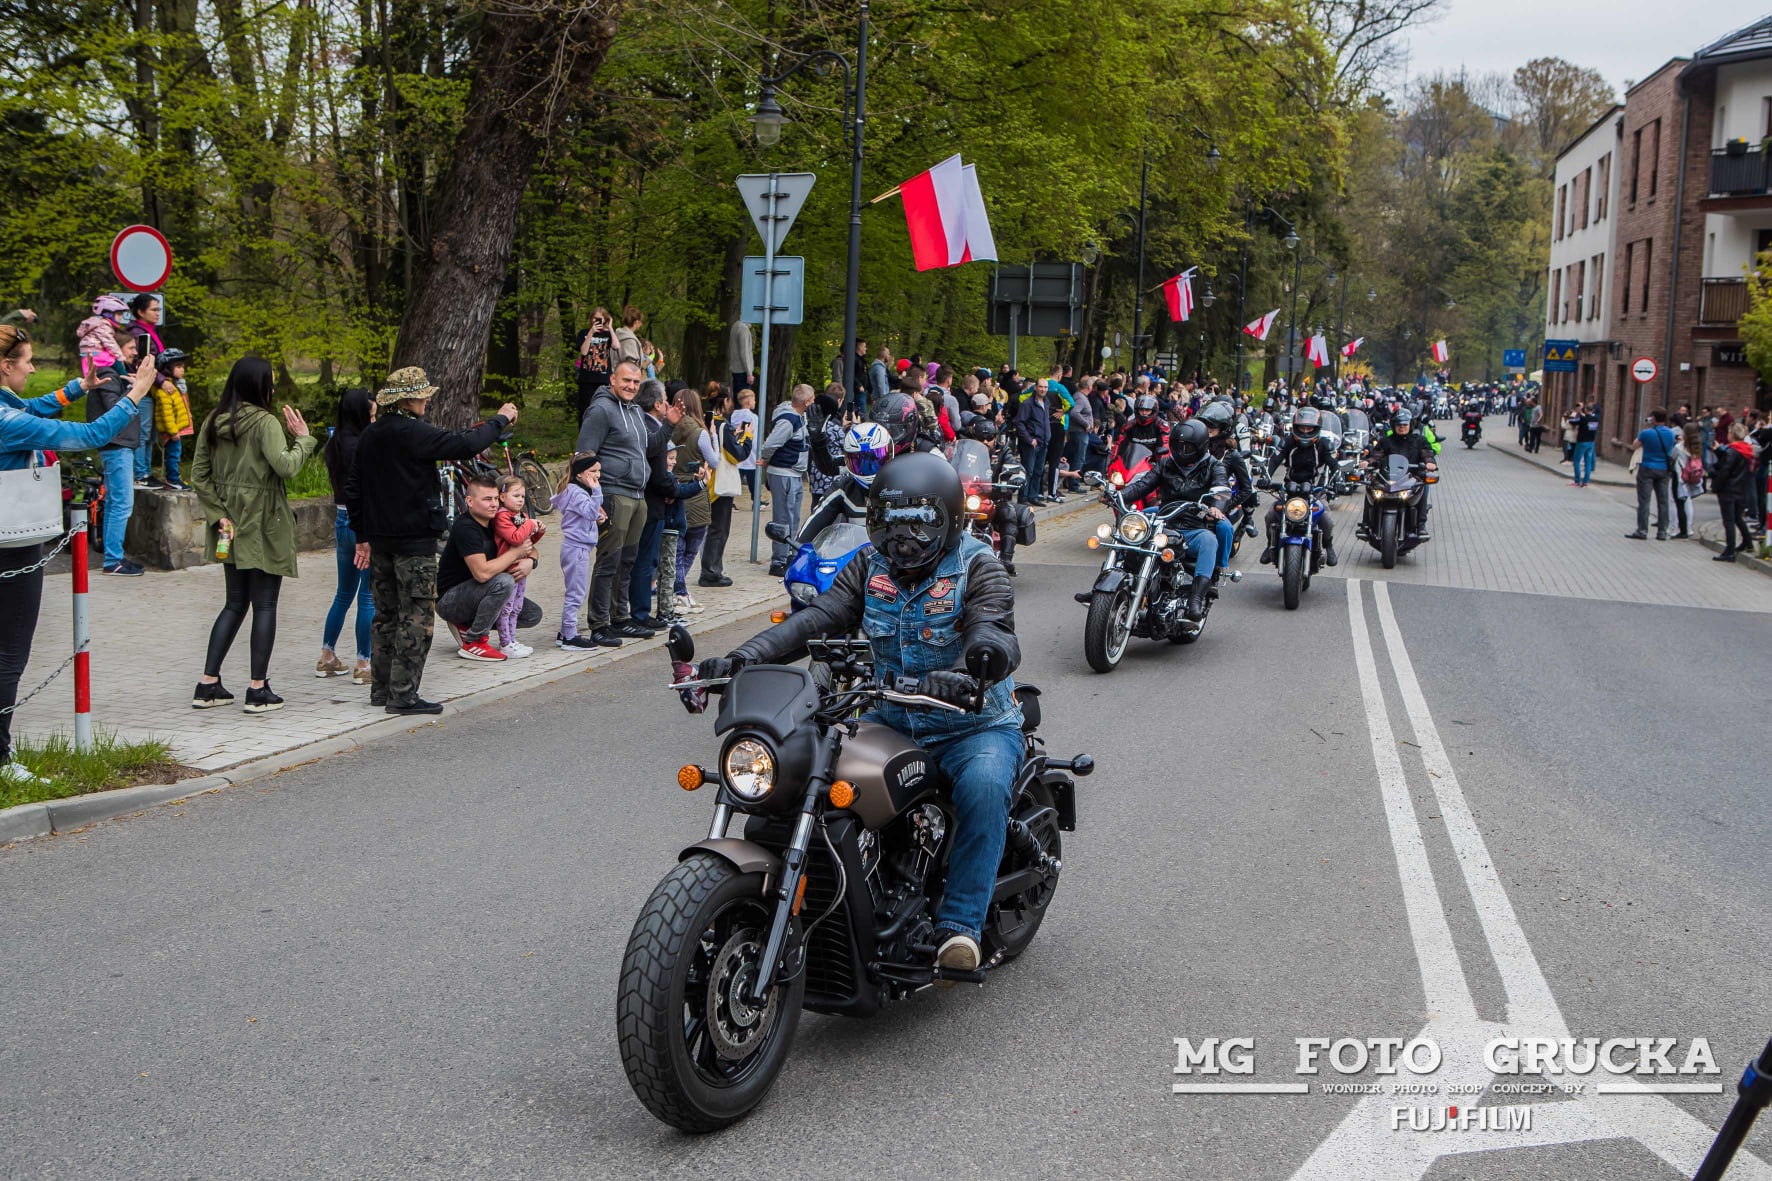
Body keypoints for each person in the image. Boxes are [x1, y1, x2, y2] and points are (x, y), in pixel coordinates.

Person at [697, 451, 1022, 977]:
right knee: (812, 770)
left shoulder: (978, 563)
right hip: (891, 714)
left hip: (972, 720)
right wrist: (743, 658)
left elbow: (992, 626)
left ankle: (960, 927)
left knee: (983, 787)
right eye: (892, 525)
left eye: (919, 524)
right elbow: (818, 620)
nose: (904, 540)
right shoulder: (869, 565)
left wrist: (974, 664)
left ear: (949, 520)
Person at [0, 324, 150, 786]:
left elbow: (35, 408)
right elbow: (89, 434)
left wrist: (78, 388)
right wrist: (135, 394)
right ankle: (1, 758)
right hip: (12, 544)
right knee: (9, 654)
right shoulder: (8, 421)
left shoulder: (9, 408)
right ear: (5, 366)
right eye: (26, 360)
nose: (32, 367)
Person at [344, 366, 518, 715]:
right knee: (418, 617)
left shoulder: (370, 435)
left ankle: (382, 689)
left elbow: (353, 489)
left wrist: (362, 535)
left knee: (386, 615)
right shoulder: (414, 432)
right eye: (423, 395)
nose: (426, 401)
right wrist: (500, 420)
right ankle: (404, 695)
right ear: (410, 400)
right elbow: (465, 444)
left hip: (380, 541)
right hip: (413, 542)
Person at [190, 356, 320, 714]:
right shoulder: (265, 423)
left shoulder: (214, 421)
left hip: (226, 526)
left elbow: (198, 475)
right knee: (264, 604)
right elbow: (286, 466)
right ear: (260, 385)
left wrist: (218, 516)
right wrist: (304, 440)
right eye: (271, 382)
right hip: (264, 522)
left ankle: (208, 683)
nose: (274, 387)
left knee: (234, 602)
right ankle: (257, 689)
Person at [574, 359, 654, 646]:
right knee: (609, 560)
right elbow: (584, 455)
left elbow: (646, 448)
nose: (631, 386)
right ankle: (599, 623)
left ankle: (621, 618)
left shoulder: (635, 410)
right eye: (626, 381)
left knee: (628, 560)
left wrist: (669, 426)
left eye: (636, 381)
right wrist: (593, 499)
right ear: (612, 380)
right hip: (613, 494)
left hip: (637, 494)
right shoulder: (601, 409)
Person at [1116, 419, 1230, 620]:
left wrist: (1215, 506)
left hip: (1194, 524)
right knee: (1131, 523)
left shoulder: (1214, 466)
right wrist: (1118, 495)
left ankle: (1197, 597)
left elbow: (1221, 491)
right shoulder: (1165, 464)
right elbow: (1144, 485)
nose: (1181, 450)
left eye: (1187, 447)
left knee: (1209, 541)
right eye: (1177, 445)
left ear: (1200, 446)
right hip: (1165, 520)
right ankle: (1112, 580)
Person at [436, 473, 533, 662]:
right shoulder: (466, 527)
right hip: (450, 600)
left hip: (478, 592)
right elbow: (482, 574)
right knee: (505, 582)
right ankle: (474, 641)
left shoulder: (498, 521)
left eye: (496, 498)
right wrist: (515, 554)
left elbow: (530, 547)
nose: (494, 504)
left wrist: (531, 561)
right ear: (470, 501)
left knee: (531, 614)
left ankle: (467, 625)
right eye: (487, 499)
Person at [317, 387, 375, 684]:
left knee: (343, 593)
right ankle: (364, 663)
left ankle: (327, 655)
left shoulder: (335, 443)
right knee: (367, 596)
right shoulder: (365, 444)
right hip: (363, 522)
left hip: (341, 519)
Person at [86, 331, 148, 575]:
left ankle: (114, 557)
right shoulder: (108, 375)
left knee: (115, 503)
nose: (135, 352)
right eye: (131, 347)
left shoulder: (115, 375)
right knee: (122, 503)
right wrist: (134, 390)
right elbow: (114, 410)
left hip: (120, 444)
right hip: (116, 444)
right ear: (116, 349)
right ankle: (113, 561)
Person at [626, 380, 680, 627]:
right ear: (658, 403)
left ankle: (636, 610)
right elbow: (658, 473)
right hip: (651, 502)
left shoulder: (643, 425)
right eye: (665, 399)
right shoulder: (651, 429)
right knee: (645, 560)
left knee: (641, 558)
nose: (668, 403)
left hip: (647, 500)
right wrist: (674, 489)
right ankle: (640, 612)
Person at [1261, 406, 1339, 566]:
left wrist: (1338, 480)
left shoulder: (1324, 444)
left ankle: (1329, 546)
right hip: (1289, 491)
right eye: (1301, 428)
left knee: (1327, 519)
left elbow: (1334, 464)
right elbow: (1275, 460)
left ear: (1316, 429)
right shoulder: (1288, 442)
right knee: (1270, 515)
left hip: (1316, 492)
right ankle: (1270, 544)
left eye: (1309, 428)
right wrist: (1265, 476)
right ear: (1295, 427)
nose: (1305, 432)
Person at [1361, 407, 1438, 541]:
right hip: (1389, 478)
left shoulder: (1419, 440)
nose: (1401, 427)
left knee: (1423, 487)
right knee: (1370, 487)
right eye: (1398, 425)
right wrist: (1369, 462)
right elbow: (1377, 454)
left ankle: (1421, 526)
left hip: (1412, 478)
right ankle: (1366, 524)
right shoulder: (1386, 441)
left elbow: (1427, 454)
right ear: (1393, 425)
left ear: (1410, 425)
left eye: (1404, 425)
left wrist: (1429, 462)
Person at [760, 383, 813, 576]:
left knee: (793, 517)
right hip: (784, 472)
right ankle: (778, 561)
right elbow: (771, 443)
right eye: (812, 399)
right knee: (783, 517)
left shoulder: (800, 417)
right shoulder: (789, 421)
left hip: (794, 473)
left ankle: (790, 553)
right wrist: (766, 460)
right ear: (806, 402)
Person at [555, 454, 604, 648]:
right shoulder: (577, 492)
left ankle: (564, 633)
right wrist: (597, 491)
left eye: (599, 470)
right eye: (592, 471)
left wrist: (594, 519)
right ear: (580, 473)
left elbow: (584, 515)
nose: (597, 475)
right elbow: (590, 511)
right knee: (576, 593)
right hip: (576, 548)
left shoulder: (574, 490)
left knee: (576, 591)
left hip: (577, 546)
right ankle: (569, 636)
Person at [671, 388, 713, 614]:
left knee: (675, 547)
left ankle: (678, 590)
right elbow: (713, 461)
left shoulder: (668, 428)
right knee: (691, 546)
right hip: (695, 490)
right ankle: (679, 591)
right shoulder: (701, 433)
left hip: (673, 488)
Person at [492, 475, 544, 656]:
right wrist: (530, 524)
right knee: (506, 608)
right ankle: (505, 643)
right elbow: (514, 538)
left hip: (519, 568)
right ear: (502, 496)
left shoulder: (520, 516)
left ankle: (512, 640)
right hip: (508, 569)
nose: (521, 500)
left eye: (522, 496)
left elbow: (527, 540)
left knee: (517, 607)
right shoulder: (501, 517)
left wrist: (538, 531)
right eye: (516, 495)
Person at [698, 386, 743, 589]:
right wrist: (746, 437)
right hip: (720, 484)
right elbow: (737, 455)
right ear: (725, 402)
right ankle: (711, 571)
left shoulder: (705, 422)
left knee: (712, 528)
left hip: (708, 480)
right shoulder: (723, 425)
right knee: (719, 529)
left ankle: (711, 569)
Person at [1626, 409, 1679, 541]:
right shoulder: (1670, 433)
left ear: (1653, 419)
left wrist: (1648, 428)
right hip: (1664, 469)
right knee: (1663, 501)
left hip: (1647, 468)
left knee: (1644, 501)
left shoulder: (1647, 433)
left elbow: (1634, 446)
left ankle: (1642, 530)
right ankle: (1662, 532)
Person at [1711, 422, 1757, 562]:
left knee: (1729, 520)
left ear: (1732, 434)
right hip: (1741, 489)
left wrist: (1716, 486)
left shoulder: (1732, 451)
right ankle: (1747, 542)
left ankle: (1729, 551)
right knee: (1737, 517)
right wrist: (1720, 452)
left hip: (1728, 490)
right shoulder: (1747, 450)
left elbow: (1725, 470)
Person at [150, 348, 195, 490]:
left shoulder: (177, 385)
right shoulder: (166, 389)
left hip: (178, 428)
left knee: (176, 454)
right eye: (178, 367)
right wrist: (173, 431)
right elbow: (166, 413)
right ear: (167, 368)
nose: (182, 370)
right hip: (173, 430)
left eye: (183, 367)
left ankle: (175, 477)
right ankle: (172, 479)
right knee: (173, 455)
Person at [573, 307, 613, 425]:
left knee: (603, 409)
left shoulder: (608, 334)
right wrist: (591, 333)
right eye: (595, 318)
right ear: (591, 319)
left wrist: (610, 327)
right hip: (587, 379)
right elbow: (584, 352)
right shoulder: (584, 333)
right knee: (585, 410)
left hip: (604, 379)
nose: (597, 321)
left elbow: (616, 346)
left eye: (600, 319)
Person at [1014, 380, 1050, 505]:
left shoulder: (1046, 402)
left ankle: (1033, 496)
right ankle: (1023, 497)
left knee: (1038, 471)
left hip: (1043, 442)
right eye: (1040, 387)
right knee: (1027, 471)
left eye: (1045, 387)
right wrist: (1029, 439)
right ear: (1035, 387)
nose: (1043, 389)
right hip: (1031, 443)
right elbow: (1019, 423)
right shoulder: (1027, 404)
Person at [1570, 402, 1599, 487]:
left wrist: (1576, 414)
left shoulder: (1583, 419)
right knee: (1588, 462)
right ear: (1592, 410)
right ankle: (1585, 481)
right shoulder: (1596, 419)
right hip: (1591, 442)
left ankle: (1577, 481)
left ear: (1586, 410)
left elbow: (1572, 421)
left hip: (1582, 442)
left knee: (1577, 461)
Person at [613, 305, 646, 371]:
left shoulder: (616, 336)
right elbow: (631, 364)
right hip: (626, 376)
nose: (641, 325)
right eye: (640, 322)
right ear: (636, 322)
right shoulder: (629, 340)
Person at [727, 317, 754, 394]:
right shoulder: (743, 329)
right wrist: (749, 373)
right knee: (744, 401)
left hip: (736, 370)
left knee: (737, 399)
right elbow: (744, 352)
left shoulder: (735, 325)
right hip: (743, 371)